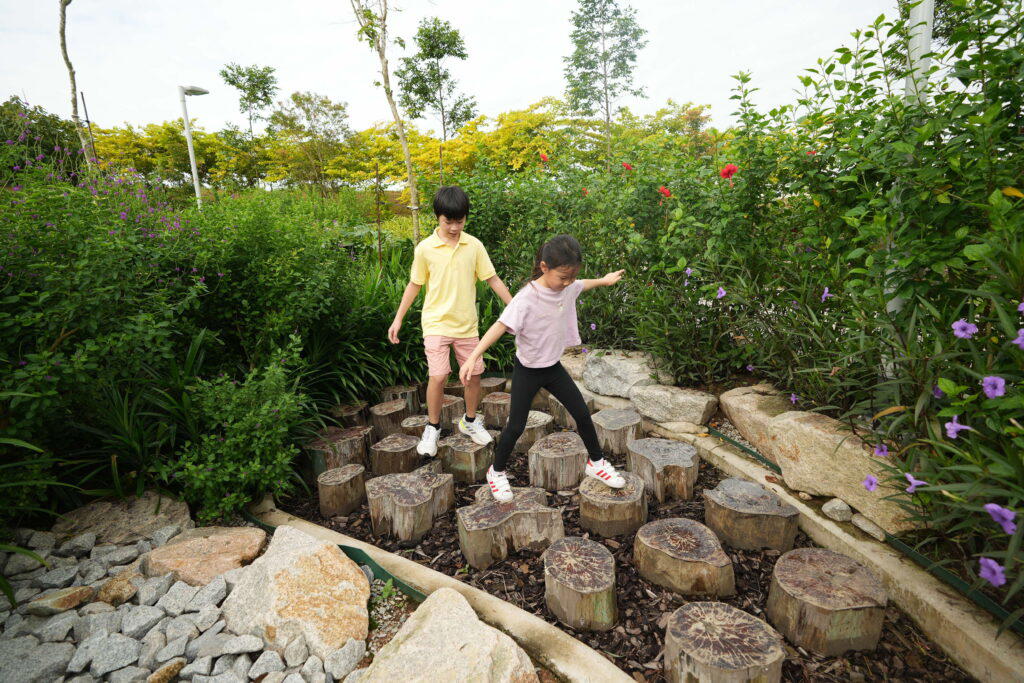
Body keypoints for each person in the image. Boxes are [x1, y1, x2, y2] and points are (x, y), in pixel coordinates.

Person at [458, 234, 626, 502]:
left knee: (582, 413)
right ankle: (496, 471)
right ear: (544, 267)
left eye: (571, 277)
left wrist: (604, 280)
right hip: (527, 369)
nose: (567, 282)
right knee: (515, 426)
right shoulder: (526, 299)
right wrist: (472, 356)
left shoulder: (568, 285)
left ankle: (596, 463)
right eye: (563, 277)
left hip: (552, 367)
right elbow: (500, 326)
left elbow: (582, 284)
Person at [388, 186, 513, 457]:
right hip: (435, 323)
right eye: (449, 221)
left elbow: (492, 279)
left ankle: (469, 421)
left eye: (460, 220)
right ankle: (432, 427)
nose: (455, 227)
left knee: (474, 375)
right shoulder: (425, 249)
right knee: (439, 375)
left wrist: (515, 307)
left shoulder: (474, 245)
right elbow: (414, 285)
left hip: (466, 325)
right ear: (438, 218)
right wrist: (398, 319)